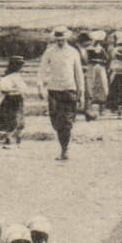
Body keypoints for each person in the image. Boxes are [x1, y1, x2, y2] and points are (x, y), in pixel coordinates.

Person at [36, 26, 87, 161]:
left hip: (69, 90)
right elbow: (41, 70)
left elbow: (78, 73)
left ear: (67, 38)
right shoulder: (49, 52)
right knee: (56, 122)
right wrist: (40, 86)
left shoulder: (73, 52)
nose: (60, 42)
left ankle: (65, 150)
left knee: (67, 121)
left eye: (62, 39)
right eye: (58, 39)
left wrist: (81, 92)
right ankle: (63, 146)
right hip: (53, 90)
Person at [0, 55, 29, 147]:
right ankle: (9, 139)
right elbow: (3, 89)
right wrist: (14, 90)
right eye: (19, 66)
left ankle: (17, 140)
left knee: (18, 119)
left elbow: (24, 89)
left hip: (18, 99)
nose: (21, 68)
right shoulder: (9, 77)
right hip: (12, 99)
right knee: (12, 119)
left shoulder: (17, 76)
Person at [82, 30, 110, 120]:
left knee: (102, 87)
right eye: (96, 41)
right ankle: (89, 109)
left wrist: (103, 62)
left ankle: (102, 109)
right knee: (91, 87)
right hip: (92, 68)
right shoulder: (89, 49)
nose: (97, 43)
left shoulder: (101, 49)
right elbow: (86, 59)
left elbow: (106, 58)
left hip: (100, 69)